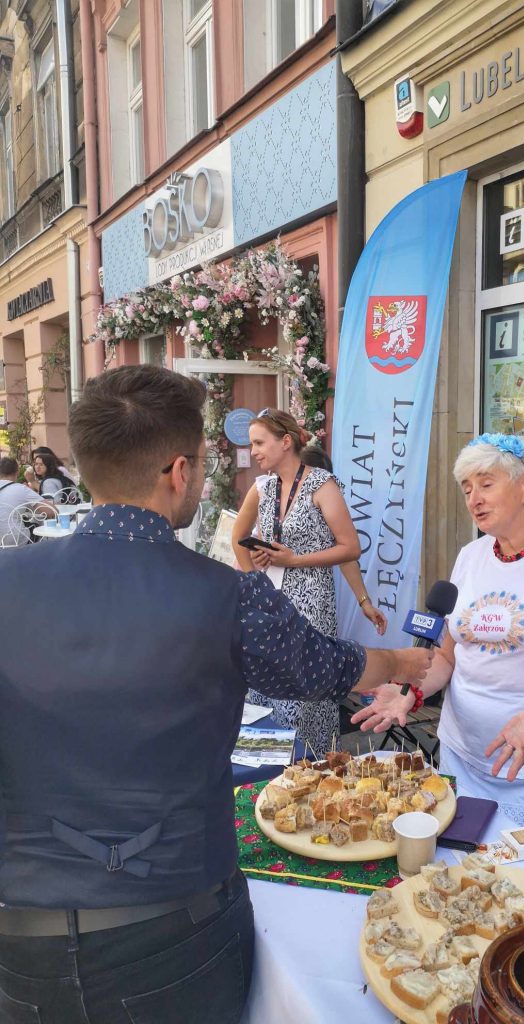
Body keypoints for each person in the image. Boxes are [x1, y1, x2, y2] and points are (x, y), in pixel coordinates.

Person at [0, 365, 431, 1023]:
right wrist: (405, 659)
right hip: (177, 934)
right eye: (203, 464)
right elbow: (328, 669)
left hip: (22, 938)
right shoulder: (228, 595)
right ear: (178, 470)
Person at [352, 432, 524, 851]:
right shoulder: (470, 556)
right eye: (466, 488)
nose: (473, 498)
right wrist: (412, 690)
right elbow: (447, 654)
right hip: (462, 755)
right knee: (460, 875)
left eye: (485, 483)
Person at [231, 409, 383, 752]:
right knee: (265, 690)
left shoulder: (321, 484)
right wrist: (255, 578)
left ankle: (312, 767)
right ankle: (267, 777)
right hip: (271, 602)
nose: (253, 451)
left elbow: (349, 548)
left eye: (259, 442)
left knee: (305, 692)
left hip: (311, 605)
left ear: (286, 442)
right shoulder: (262, 487)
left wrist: (363, 601)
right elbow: (238, 536)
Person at [300, 443, 387, 637]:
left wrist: (365, 601)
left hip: (314, 604)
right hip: (274, 598)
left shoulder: (325, 506)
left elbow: (346, 556)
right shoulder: (269, 491)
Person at [0, 456, 54, 545]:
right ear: (17, 472)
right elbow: (51, 511)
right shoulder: (20, 489)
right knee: (37, 529)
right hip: (14, 541)